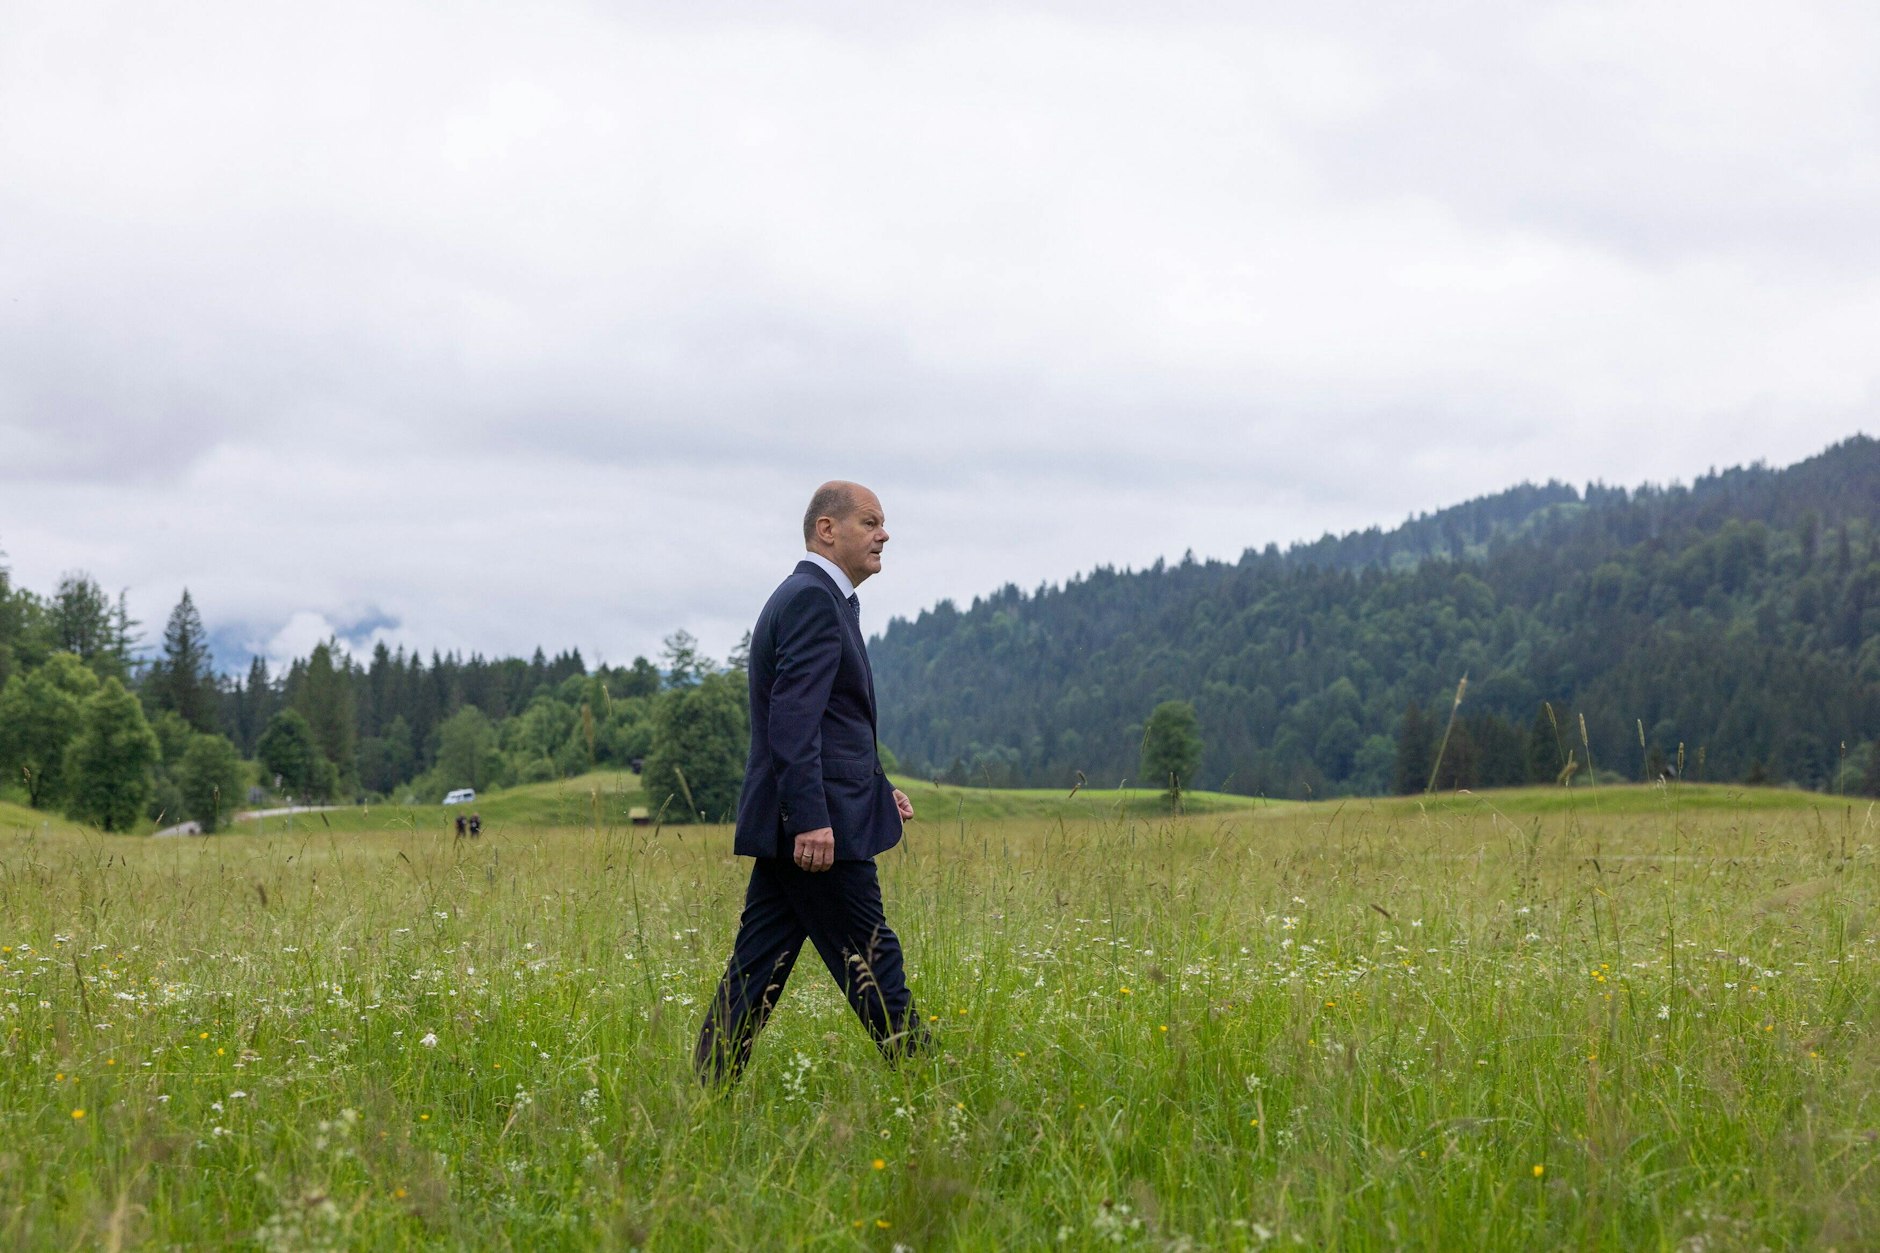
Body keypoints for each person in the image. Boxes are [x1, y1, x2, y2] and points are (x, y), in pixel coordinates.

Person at [694, 481, 927, 1083]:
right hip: (820, 836)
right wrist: (814, 819)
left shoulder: (825, 598)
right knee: (875, 962)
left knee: (756, 971)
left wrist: (877, 788)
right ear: (828, 529)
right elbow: (791, 722)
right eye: (871, 522)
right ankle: (931, 1081)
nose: (884, 534)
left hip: (814, 821)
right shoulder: (812, 599)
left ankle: (705, 1094)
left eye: (883, 524)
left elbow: (832, 722)